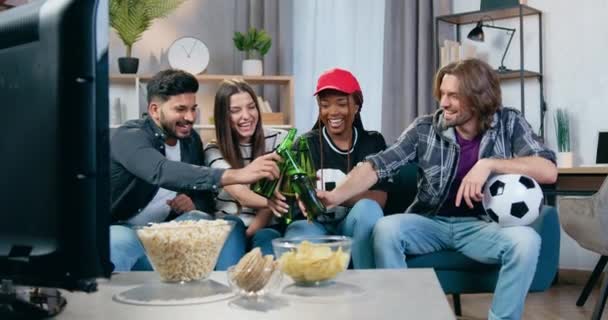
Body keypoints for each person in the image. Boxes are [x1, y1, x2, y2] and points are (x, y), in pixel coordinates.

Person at [314, 59, 557, 319]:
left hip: (482, 227)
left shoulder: (509, 122)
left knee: (527, 241)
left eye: (453, 95)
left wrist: (489, 164)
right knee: (387, 229)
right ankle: (403, 315)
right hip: (430, 223)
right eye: (442, 94)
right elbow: (377, 166)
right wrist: (334, 196)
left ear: (479, 97)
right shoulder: (425, 128)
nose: (443, 102)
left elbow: (548, 169)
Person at [110, 69, 280, 272]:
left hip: (170, 228)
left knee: (211, 224)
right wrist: (239, 174)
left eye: (193, 109)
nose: (190, 117)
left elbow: (204, 198)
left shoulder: (190, 141)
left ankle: (224, 290)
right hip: (125, 226)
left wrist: (192, 203)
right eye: (180, 109)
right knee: (119, 244)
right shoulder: (129, 136)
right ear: (155, 110)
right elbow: (161, 171)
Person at [270, 67, 390, 269]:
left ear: (356, 106)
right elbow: (296, 196)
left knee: (368, 208)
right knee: (302, 249)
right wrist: (302, 195)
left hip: (352, 224)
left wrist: (336, 196)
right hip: (311, 224)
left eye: (341, 104)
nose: (332, 112)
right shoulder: (304, 144)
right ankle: (313, 299)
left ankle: (370, 288)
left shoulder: (373, 142)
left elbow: (379, 199)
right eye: (325, 105)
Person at [204, 79, 287, 255]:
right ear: (223, 116)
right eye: (235, 111)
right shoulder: (213, 150)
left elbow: (275, 194)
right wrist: (268, 202)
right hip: (229, 225)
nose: (246, 116)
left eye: (251, 107)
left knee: (267, 248)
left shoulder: (279, 140)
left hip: (267, 227)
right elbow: (241, 194)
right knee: (231, 237)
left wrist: (251, 233)